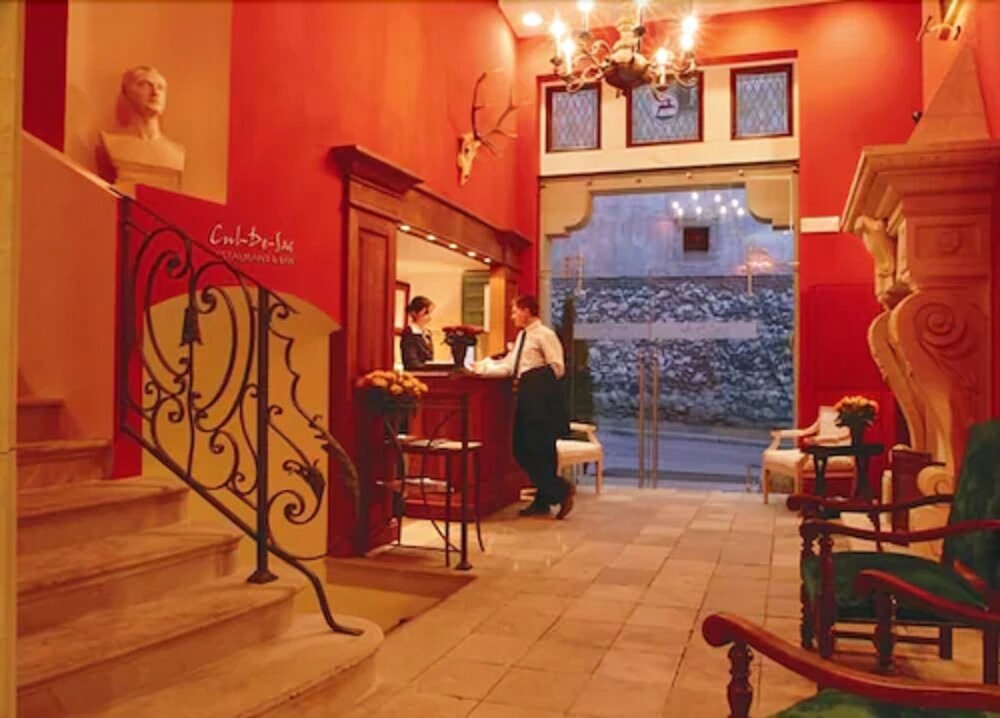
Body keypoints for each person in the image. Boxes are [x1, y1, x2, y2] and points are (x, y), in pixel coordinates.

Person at [475, 295, 574, 519]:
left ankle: (558, 491)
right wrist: (482, 369)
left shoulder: (545, 335)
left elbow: (557, 367)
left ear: (526, 311)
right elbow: (511, 367)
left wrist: (531, 379)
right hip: (525, 398)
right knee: (522, 448)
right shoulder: (522, 336)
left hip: (540, 400)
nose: (512, 316)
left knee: (538, 448)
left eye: (515, 311)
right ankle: (547, 497)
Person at [99, 65, 185, 193]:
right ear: (126, 93)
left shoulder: (177, 152)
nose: (155, 93)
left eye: (160, 88)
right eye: (145, 85)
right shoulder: (111, 142)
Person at [400, 296, 434, 370]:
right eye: (426, 313)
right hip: (415, 374)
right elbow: (411, 362)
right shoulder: (409, 333)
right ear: (414, 313)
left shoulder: (427, 333)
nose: (429, 318)